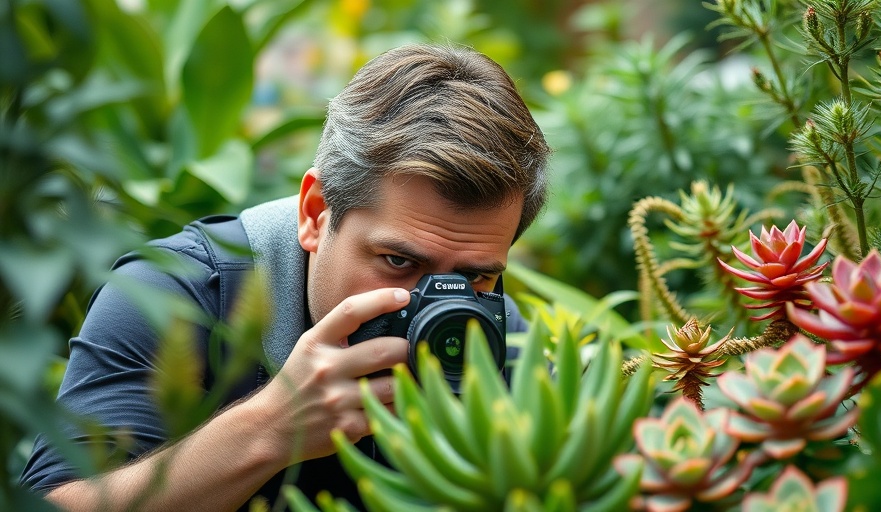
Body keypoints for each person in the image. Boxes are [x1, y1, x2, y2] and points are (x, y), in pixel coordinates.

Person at [20, 43, 551, 511]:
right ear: (315, 213)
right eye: (398, 262)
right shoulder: (175, 293)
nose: (435, 304)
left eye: (476, 276)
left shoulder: (492, 333)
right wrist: (272, 427)